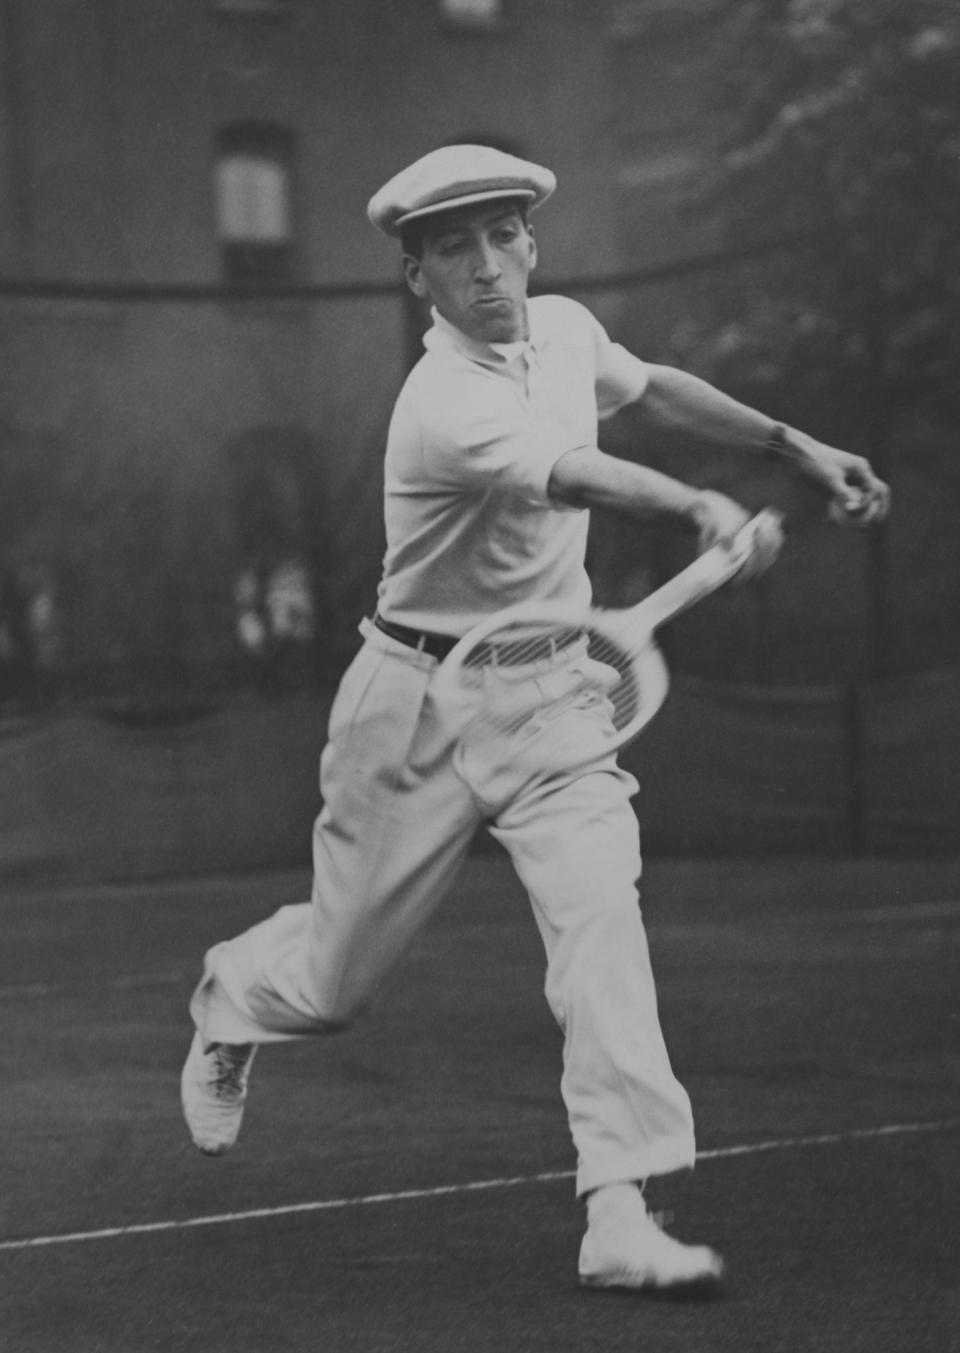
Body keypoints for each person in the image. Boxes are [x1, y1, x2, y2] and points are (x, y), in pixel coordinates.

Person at [181, 145, 890, 1292]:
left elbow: (650, 386)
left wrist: (785, 443)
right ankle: (232, 998)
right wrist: (698, 502)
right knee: (333, 984)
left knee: (602, 921)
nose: (481, 266)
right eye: (449, 249)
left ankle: (620, 1209)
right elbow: (573, 473)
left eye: (498, 237)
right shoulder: (439, 406)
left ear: (529, 244)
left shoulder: (562, 330)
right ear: (417, 279)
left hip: (558, 691)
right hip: (415, 703)